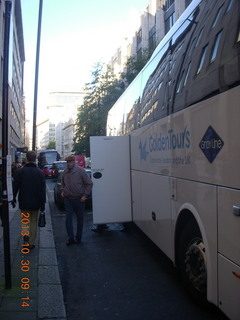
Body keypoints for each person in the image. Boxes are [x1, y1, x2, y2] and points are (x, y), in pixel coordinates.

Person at [12, 151, 46, 249]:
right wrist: (43, 204)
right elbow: (42, 190)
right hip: (36, 202)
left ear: (26, 159)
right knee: (34, 221)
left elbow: (15, 187)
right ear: (35, 159)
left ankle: (25, 238)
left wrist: (13, 198)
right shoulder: (40, 172)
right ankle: (31, 242)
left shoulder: (21, 172)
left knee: (25, 221)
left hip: (24, 201)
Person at [61, 155, 93, 246]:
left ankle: (78, 237)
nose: (68, 164)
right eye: (67, 162)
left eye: (70, 162)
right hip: (68, 199)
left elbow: (89, 183)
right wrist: (63, 191)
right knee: (68, 219)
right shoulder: (65, 171)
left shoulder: (80, 171)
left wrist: (85, 195)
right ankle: (71, 238)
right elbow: (62, 183)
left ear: (74, 162)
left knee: (80, 219)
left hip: (79, 199)